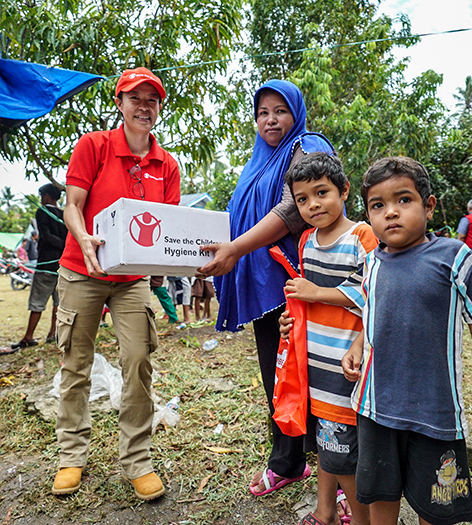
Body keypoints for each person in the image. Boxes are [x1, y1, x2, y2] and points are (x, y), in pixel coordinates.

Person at [342, 157, 472, 525]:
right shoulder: (371, 263)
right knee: (379, 494)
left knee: (436, 505)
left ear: (429, 206)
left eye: (404, 200)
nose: (391, 213)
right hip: (375, 407)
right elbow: (368, 312)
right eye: (378, 205)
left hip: (434, 413)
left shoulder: (453, 257)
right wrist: (356, 346)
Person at [197, 79, 335, 495]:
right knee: (277, 375)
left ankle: (339, 468)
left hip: (302, 281)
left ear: (296, 112)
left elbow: (294, 209)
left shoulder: (308, 145)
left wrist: (236, 248)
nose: (270, 119)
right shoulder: (260, 160)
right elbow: (237, 215)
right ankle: (289, 461)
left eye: (279, 110)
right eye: (262, 113)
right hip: (264, 284)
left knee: (318, 374)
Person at [52, 67, 180, 501]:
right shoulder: (94, 146)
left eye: (153, 100)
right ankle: (71, 455)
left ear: (159, 109)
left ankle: (137, 460)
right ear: (120, 104)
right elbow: (73, 205)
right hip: (80, 270)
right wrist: (83, 236)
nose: (144, 106)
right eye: (135, 98)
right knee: (75, 363)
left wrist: (168, 262)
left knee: (140, 359)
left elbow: (167, 228)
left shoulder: (168, 165)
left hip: (131, 281)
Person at [279, 153, 375, 525]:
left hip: (345, 365)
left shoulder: (361, 235)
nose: (313, 204)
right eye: (303, 199)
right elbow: (302, 299)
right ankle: (325, 510)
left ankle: (362, 520)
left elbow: (373, 292)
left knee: (341, 451)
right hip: (313, 362)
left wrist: (316, 292)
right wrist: (291, 322)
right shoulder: (305, 239)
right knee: (326, 442)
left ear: (344, 190)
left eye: (322, 193)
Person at [10, 184, 68, 351]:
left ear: (48, 196)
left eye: (42, 196)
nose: (41, 199)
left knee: (37, 302)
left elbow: (47, 236)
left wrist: (61, 245)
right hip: (61, 265)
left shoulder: (43, 212)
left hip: (46, 265)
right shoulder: (65, 214)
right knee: (58, 302)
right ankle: (52, 333)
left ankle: (29, 336)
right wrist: (65, 247)